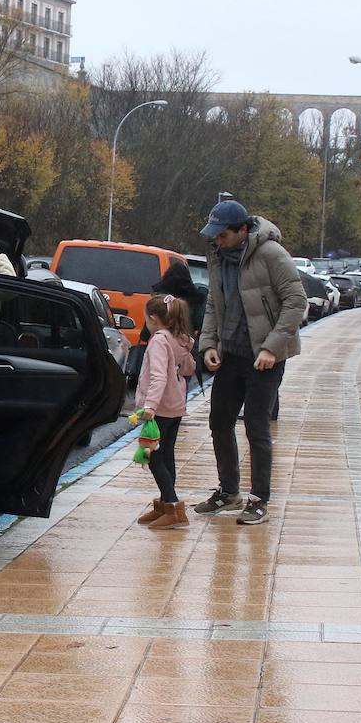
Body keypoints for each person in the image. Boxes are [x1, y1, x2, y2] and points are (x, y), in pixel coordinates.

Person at [193, 199, 305, 526]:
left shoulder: (271, 254)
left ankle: (259, 500)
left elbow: (296, 302)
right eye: (214, 234)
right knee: (219, 421)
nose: (216, 240)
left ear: (242, 231)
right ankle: (229, 492)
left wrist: (272, 347)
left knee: (256, 427)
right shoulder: (219, 257)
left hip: (264, 358)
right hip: (231, 354)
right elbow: (215, 302)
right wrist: (210, 343)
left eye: (223, 234)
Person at [134, 294, 196, 530]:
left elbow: (158, 376)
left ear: (153, 318)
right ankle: (164, 505)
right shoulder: (178, 339)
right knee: (166, 454)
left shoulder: (159, 340)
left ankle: (173, 507)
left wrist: (149, 406)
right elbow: (189, 368)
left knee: (153, 457)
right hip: (175, 405)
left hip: (159, 408)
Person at [152, 260, 206, 388]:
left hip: (160, 350)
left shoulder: (159, 300)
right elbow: (200, 323)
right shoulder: (195, 299)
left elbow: (145, 333)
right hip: (185, 350)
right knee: (181, 387)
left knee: (156, 382)